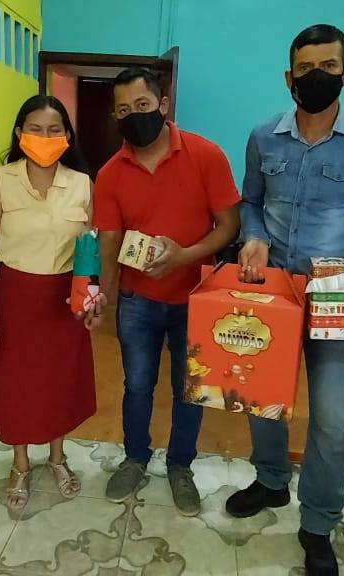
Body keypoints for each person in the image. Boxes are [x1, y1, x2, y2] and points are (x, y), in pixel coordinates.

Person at [228, 24, 344, 575]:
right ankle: (271, 480)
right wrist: (254, 236)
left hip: (338, 291)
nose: (316, 77)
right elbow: (250, 202)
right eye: (305, 69)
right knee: (262, 397)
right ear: (289, 78)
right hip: (274, 287)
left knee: (330, 418)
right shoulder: (263, 136)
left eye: (328, 67)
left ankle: (319, 522)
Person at [94, 68, 241, 516]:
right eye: (123, 110)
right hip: (137, 301)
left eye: (141, 105)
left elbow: (229, 225)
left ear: (162, 105)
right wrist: (104, 297)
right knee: (137, 385)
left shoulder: (205, 154)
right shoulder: (110, 174)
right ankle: (135, 458)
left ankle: (180, 467)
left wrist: (185, 256)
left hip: (196, 299)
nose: (133, 115)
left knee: (189, 389)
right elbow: (109, 243)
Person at [0, 95, 104, 512]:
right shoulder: (0, 181)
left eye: (53, 130)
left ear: (67, 136)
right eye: (35, 129)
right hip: (15, 297)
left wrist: (93, 298)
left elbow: (91, 248)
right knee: (17, 384)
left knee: (60, 382)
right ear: (19, 133)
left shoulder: (82, 184)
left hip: (65, 299)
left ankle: (57, 457)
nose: (45, 137)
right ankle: (20, 463)